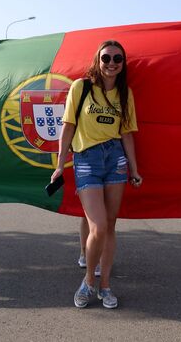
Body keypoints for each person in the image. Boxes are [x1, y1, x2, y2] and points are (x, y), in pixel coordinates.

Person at [51, 40, 142, 309]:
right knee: (98, 226)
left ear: (123, 64)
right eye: (106, 58)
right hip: (86, 159)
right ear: (97, 60)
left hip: (116, 159)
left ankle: (105, 286)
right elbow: (67, 127)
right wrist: (59, 164)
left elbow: (127, 133)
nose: (111, 63)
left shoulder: (126, 93)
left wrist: (134, 169)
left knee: (110, 225)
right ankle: (89, 281)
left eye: (117, 59)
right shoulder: (81, 87)